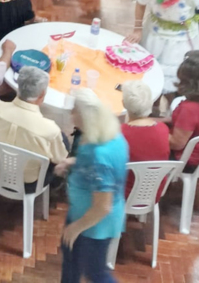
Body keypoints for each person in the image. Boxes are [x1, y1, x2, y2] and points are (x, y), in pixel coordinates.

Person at [56, 87, 128, 283]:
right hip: (84, 215)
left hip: (94, 225)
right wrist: (72, 162)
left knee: (96, 272)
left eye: (75, 111)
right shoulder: (110, 134)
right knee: (70, 258)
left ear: (85, 116)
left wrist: (76, 228)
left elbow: (102, 206)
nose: (71, 115)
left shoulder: (100, 157)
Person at [120, 81, 170, 195]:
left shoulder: (120, 134)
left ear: (124, 104)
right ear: (150, 104)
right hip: (154, 192)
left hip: (123, 193)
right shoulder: (163, 129)